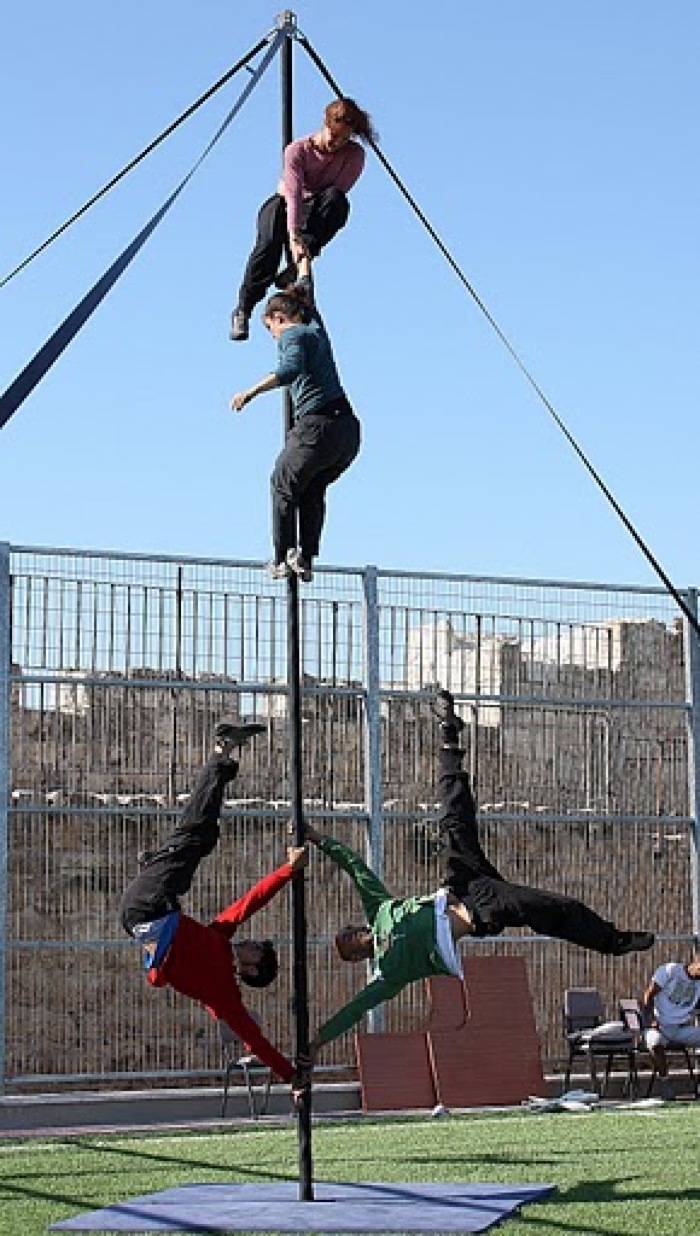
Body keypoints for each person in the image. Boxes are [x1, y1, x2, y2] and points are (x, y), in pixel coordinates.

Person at [303, 688, 655, 1057]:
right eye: (346, 940)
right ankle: (614, 942)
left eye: (347, 929)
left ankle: (449, 734)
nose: (349, 931)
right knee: (554, 907)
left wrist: (316, 838)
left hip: (460, 883)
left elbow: (355, 867)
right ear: (357, 957)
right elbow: (355, 1010)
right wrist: (317, 1041)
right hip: (479, 911)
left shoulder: (379, 913)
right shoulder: (388, 972)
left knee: (454, 818)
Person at [119, 720, 308, 1087]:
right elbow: (250, 902)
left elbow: (253, 1037)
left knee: (194, 835)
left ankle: (221, 751)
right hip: (151, 906)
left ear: (252, 970)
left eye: (257, 949)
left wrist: (291, 1076)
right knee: (200, 839)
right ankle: (219, 764)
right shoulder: (218, 939)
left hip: (150, 907)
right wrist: (289, 870)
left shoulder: (224, 995)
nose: (252, 941)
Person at [230, 254, 360, 583]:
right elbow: (306, 289)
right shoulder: (315, 325)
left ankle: (282, 556)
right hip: (346, 433)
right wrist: (302, 260)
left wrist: (251, 391)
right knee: (311, 487)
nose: (273, 336)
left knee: (282, 483)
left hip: (316, 426)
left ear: (278, 317)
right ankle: (306, 555)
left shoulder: (293, 334)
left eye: (269, 328)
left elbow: (289, 369)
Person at [230, 97, 376, 342]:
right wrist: (293, 233)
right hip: (285, 201)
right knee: (267, 247)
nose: (336, 143)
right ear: (324, 123)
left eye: (344, 138)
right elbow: (294, 193)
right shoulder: (297, 150)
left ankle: (293, 268)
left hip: (316, 206)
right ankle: (243, 308)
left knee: (337, 202)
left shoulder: (354, 156)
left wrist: (302, 246)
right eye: (334, 135)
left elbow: (336, 194)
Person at [642, 956, 700, 1099]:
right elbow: (648, 995)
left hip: (680, 1029)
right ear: (697, 959)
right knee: (655, 1042)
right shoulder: (671, 970)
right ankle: (665, 1082)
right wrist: (650, 1020)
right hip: (658, 1026)